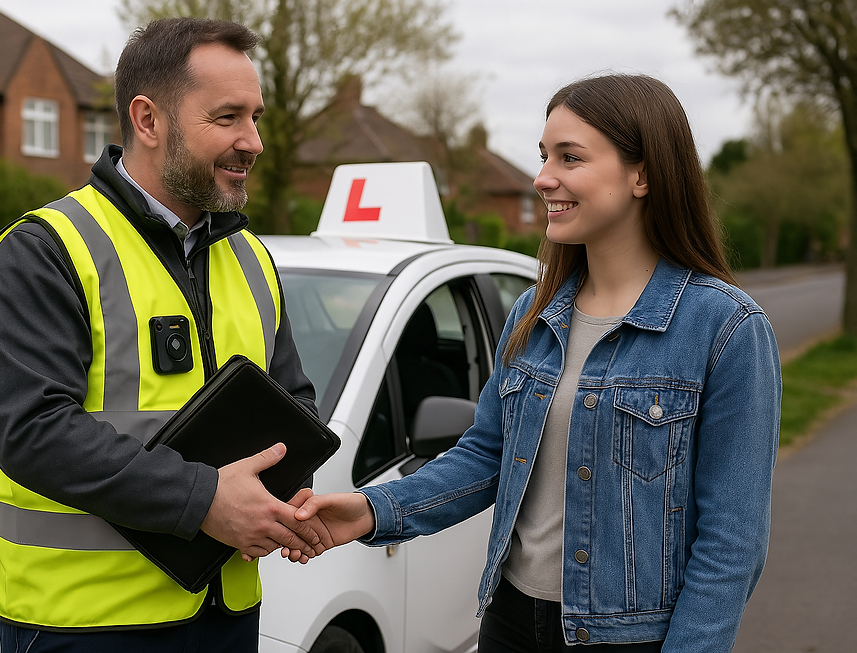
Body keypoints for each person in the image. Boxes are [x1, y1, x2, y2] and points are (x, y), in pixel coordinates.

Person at [290, 74, 782, 652]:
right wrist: (373, 511)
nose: (542, 178)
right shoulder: (537, 311)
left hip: (629, 639)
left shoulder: (725, 329)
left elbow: (731, 543)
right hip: (510, 623)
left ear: (642, 174)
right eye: (544, 155)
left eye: (570, 158)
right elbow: (487, 455)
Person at [0, 17, 326, 653]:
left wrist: (281, 500)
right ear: (147, 119)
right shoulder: (45, 250)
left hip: (227, 614)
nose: (254, 141)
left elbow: (294, 403)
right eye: (228, 118)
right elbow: (32, 431)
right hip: (85, 627)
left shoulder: (248, 256)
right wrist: (205, 500)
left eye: (257, 117)